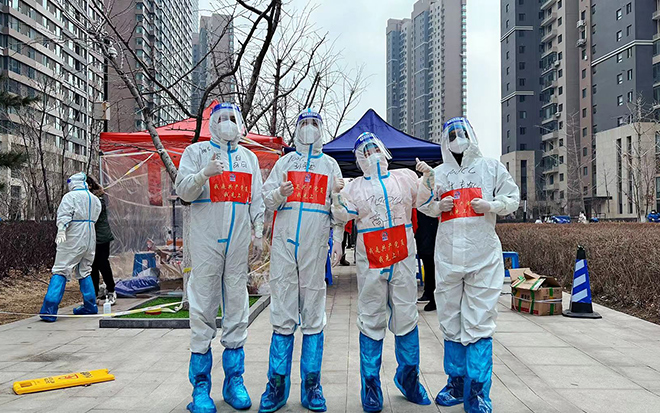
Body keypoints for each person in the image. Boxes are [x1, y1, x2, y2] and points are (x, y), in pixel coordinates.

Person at [416, 117, 519, 413]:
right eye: (451, 135)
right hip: (448, 257)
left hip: (482, 257)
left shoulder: (490, 168)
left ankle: (478, 390)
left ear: (471, 135)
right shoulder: (439, 173)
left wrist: (492, 205)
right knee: (450, 320)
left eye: (461, 133)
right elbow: (422, 203)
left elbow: (512, 197)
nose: (457, 139)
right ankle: (456, 383)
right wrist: (437, 207)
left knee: (479, 322)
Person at [331, 132, 431, 412]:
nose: (371, 154)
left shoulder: (404, 178)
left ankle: (409, 380)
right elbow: (341, 215)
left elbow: (423, 201)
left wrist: (427, 178)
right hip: (372, 258)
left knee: (406, 314)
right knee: (371, 316)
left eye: (374, 148)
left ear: (384, 151)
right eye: (364, 151)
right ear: (358, 159)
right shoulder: (354, 187)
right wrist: (336, 196)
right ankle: (371, 385)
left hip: (402, 256)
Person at [176, 102, 265, 412]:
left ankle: (234, 381)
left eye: (232, 118)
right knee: (202, 307)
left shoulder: (249, 158)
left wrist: (258, 231)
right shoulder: (195, 153)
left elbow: (257, 198)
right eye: (221, 118)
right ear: (212, 123)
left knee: (237, 308)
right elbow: (184, 192)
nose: (228, 123)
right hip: (206, 244)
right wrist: (204, 174)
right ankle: (200, 388)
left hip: (237, 245)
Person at [259, 109, 344, 413]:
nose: (309, 129)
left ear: (321, 128)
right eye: (304, 124)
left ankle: (311, 386)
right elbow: (266, 198)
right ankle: (276, 386)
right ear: (297, 129)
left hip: (314, 246)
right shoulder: (284, 163)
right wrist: (279, 193)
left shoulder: (330, 165)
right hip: (284, 246)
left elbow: (340, 209)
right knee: (282, 311)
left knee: (313, 313)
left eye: (314, 124)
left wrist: (338, 237)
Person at [40, 172, 102, 322]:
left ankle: (49, 309)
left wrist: (61, 230)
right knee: (85, 270)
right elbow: (96, 216)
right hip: (89, 236)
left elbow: (64, 215)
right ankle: (90, 306)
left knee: (61, 269)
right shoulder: (94, 199)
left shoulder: (70, 197)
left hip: (73, 235)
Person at [86, 176, 116, 305]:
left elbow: (93, 217)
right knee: (93, 266)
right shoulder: (89, 198)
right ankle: (94, 292)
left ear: (90, 186)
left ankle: (111, 289)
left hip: (101, 237)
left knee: (103, 263)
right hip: (91, 237)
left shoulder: (98, 200)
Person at [415, 210, 438, 311]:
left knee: (432, 265)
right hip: (423, 232)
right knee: (428, 264)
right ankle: (428, 292)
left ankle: (433, 298)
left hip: (430, 232)